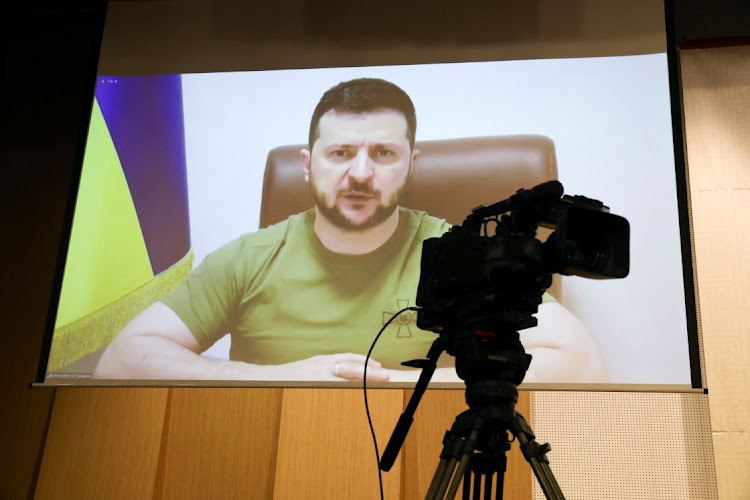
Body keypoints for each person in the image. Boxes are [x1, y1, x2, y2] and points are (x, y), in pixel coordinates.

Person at [94, 78, 608, 384]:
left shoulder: (463, 254)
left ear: (411, 164)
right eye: (340, 152)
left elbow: (580, 363)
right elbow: (121, 360)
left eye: (383, 153)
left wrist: (413, 389)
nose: (360, 173)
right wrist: (285, 380)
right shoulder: (249, 258)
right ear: (307, 164)